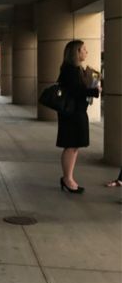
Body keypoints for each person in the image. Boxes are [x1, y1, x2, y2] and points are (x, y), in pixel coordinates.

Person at [56, 40, 101, 194]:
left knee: (74, 146)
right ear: (76, 52)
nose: (86, 52)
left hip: (77, 112)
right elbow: (76, 92)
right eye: (84, 49)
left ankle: (68, 178)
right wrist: (95, 91)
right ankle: (67, 179)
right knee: (71, 145)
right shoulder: (70, 70)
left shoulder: (76, 69)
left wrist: (93, 86)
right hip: (72, 113)